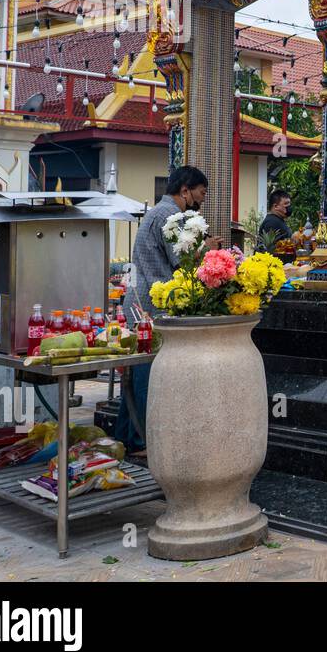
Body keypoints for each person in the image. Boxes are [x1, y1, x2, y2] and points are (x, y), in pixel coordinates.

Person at [116, 166, 221, 454]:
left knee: (139, 371)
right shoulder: (168, 216)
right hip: (150, 306)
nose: (202, 199)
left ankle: (126, 436)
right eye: (201, 192)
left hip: (142, 302)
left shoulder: (161, 214)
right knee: (147, 374)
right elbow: (182, 262)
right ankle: (140, 439)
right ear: (185, 190)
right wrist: (207, 248)